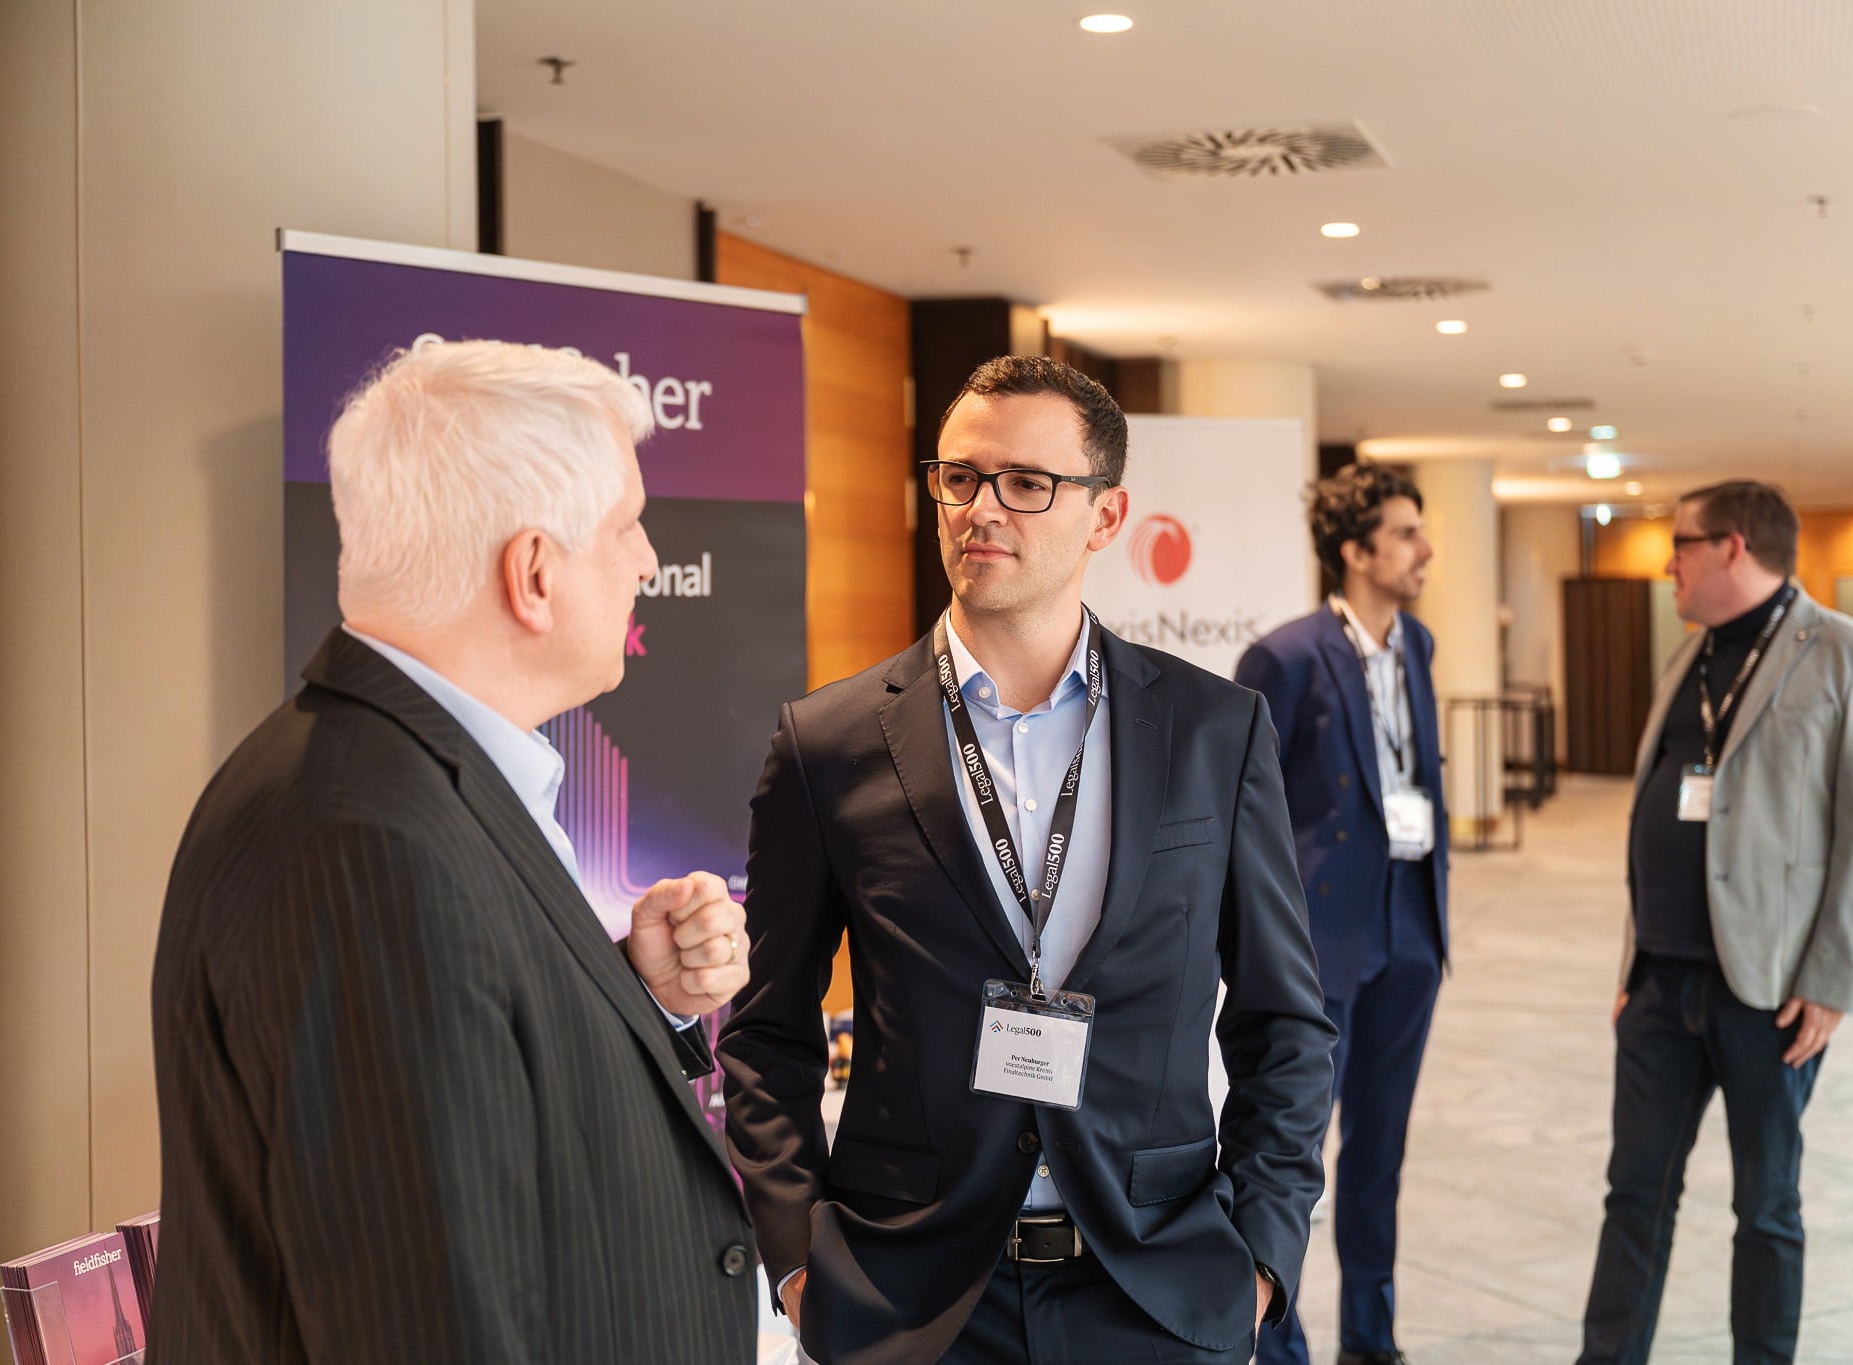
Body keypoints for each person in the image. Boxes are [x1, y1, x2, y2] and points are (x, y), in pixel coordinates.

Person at [719, 356, 1336, 1365]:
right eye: (959, 477)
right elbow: (766, 1030)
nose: (981, 509)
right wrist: (797, 1260)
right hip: (910, 1303)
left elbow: (1285, 1021)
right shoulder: (827, 742)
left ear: (1105, 515)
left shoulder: (1213, 732)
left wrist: (1259, 1259)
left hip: (1154, 1292)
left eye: (1026, 483)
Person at [152, 340, 757, 1364]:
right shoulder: (368, 851)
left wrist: (635, 996)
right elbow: (425, 1318)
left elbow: (484, 1091)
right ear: (534, 573)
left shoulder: (389, 778)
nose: (649, 560)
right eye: (626, 526)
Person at [1577, 480, 1853, 1365]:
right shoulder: (1685, 658)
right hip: (1660, 983)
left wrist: (1833, 980)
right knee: (1634, 1195)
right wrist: (1632, 963)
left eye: (1680, 545)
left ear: (1733, 546)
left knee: (1765, 1205)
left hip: (1771, 994)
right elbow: (1656, 809)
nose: (1668, 564)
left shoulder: (1851, 656)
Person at [1233, 464, 1450, 1365]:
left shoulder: (1418, 645)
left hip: (1412, 926)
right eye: (1405, 532)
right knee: (1287, 1154)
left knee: (1380, 1149)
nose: (1424, 548)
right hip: (1318, 944)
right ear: (1356, 551)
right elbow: (1249, 811)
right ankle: (1278, 1347)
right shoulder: (1284, 657)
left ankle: (1372, 1335)